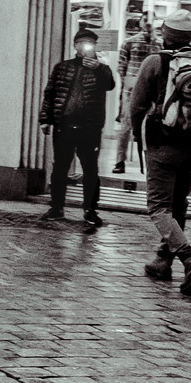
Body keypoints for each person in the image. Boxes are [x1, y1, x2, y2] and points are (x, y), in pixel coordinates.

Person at [126, 10, 191, 297]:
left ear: (164, 35)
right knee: (178, 203)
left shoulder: (155, 62)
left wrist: (136, 133)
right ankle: (162, 260)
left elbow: (137, 106)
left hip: (162, 143)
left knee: (158, 207)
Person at [40, 26, 117, 231]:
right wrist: (45, 119)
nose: (85, 47)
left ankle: (90, 210)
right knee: (60, 168)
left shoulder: (102, 68)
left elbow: (110, 85)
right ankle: (56, 207)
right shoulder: (62, 67)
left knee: (90, 169)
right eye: (82, 43)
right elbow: (50, 93)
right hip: (63, 125)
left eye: (89, 44)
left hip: (89, 127)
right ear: (75, 45)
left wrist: (98, 68)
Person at [112, 13, 159, 173]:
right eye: (145, 20)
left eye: (151, 20)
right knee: (126, 125)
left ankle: (151, 162)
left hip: (150, 88)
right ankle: (119, 161)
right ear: (140, 21)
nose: (148, 24)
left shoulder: (158, 43)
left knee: (152, 126)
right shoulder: (129, 42)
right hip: (132, 87)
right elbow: (121, 65)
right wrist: (129, 84)